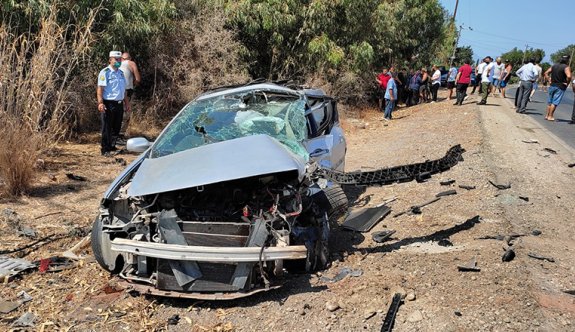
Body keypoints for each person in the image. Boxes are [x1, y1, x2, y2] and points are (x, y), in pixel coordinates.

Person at [97, 51, 130, 156]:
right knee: (107, 127)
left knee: (116, 127)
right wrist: (100, 103)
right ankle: (105, 149)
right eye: (116, 59)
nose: (118, 61)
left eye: (120, 59)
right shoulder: (105, 72)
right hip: (108, 103)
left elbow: (123, 90)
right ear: (110, 60)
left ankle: (112, 146)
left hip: (119, 104)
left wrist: (127, 103)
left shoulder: (120, 73)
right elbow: (100, 89)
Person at [119, 52, 141, 139]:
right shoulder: (131, 63)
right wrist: (133, 84)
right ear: (130, 58)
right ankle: (120, 134)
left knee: (117, 112)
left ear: (121, 58)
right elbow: (138, 79)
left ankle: (114, 133)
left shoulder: (116, 64)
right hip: (127, 90)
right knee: (126, 112)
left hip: (116, 91)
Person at [544, 55, 572, 121]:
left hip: (552, 85)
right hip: (560, 86)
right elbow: (569, 76)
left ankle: (547, 115)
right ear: (567, 60)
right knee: (555, 102)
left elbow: (546, 73)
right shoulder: (566, 67)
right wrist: (567, 83)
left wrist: (549, 79)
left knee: (550, 101)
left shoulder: (554, 66)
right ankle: (550, 116)